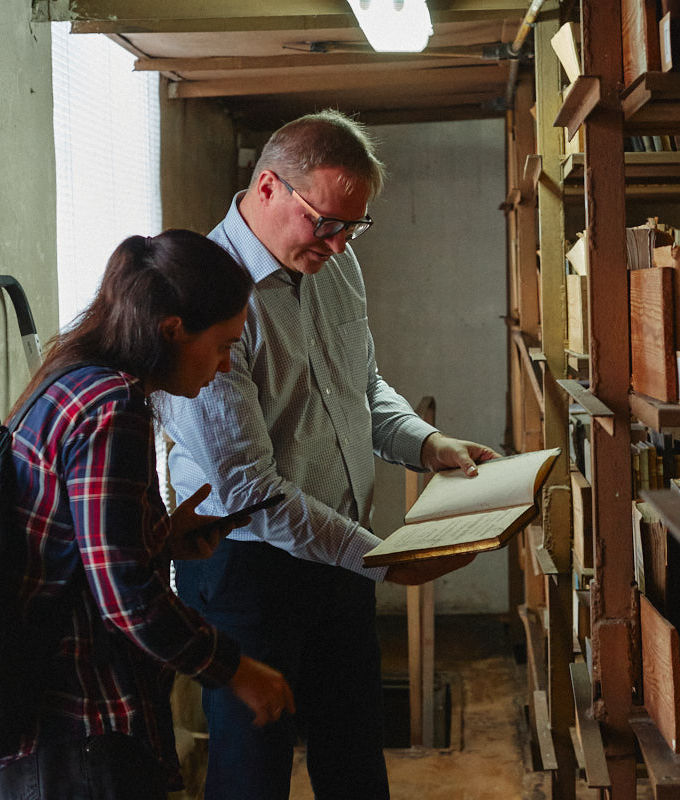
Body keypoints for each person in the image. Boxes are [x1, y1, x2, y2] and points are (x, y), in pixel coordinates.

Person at [161, 109, 499, 800]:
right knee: (251, 776)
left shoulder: (334, 264)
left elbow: (361, 385)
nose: (340, 243)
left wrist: (425, 444)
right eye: (325, 220)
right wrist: (379, 560)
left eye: (355, 226)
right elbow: (253, 489)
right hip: (247, 571)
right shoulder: (204, 297)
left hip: (339, 556)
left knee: (354, 765)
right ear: (266, 189)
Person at [0, 230, 295, 800]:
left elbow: (69, 549)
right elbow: (126, 599)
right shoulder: (113, 408)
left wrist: (161, 540)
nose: (224, 366)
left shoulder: (73, 378)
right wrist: (235, 669)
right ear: (172, 330)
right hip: (77, 731)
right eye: (222, 344)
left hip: (51, 731)